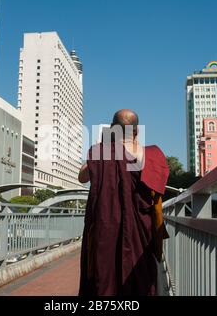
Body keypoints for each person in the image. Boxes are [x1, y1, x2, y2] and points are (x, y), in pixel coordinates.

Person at [78, 109, 170, 296]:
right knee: (141, 282)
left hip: (105, 228)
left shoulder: (99, 152)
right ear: (136, 131)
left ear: (112, 129)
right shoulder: (151, 154)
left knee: (104, 280)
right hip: (140, 234)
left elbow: (82, 177)